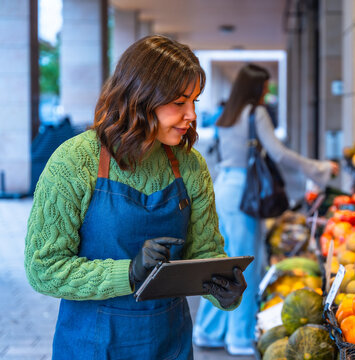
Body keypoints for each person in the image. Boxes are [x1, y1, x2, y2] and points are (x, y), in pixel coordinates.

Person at [24, 35, 246, 360]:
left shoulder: (190, 164)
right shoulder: (75, 160)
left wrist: (223, 291)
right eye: (179, 102)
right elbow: (42, 268)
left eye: (195, 102)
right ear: (141, 97)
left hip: (170, 343)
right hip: (92, 346)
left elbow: (204, 251)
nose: (192, 115)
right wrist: (128, 272)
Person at [192, 63, 339, 355]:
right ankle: (239, 336)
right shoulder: (255, 113)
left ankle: (209, 330)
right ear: (256, 88)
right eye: (264, 87)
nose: (266, 92)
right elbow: (279, 153)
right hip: (246, 193)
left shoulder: (226, 115)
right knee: (243, 266)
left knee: (221, 264)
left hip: (222, 189)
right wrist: (320, 168)